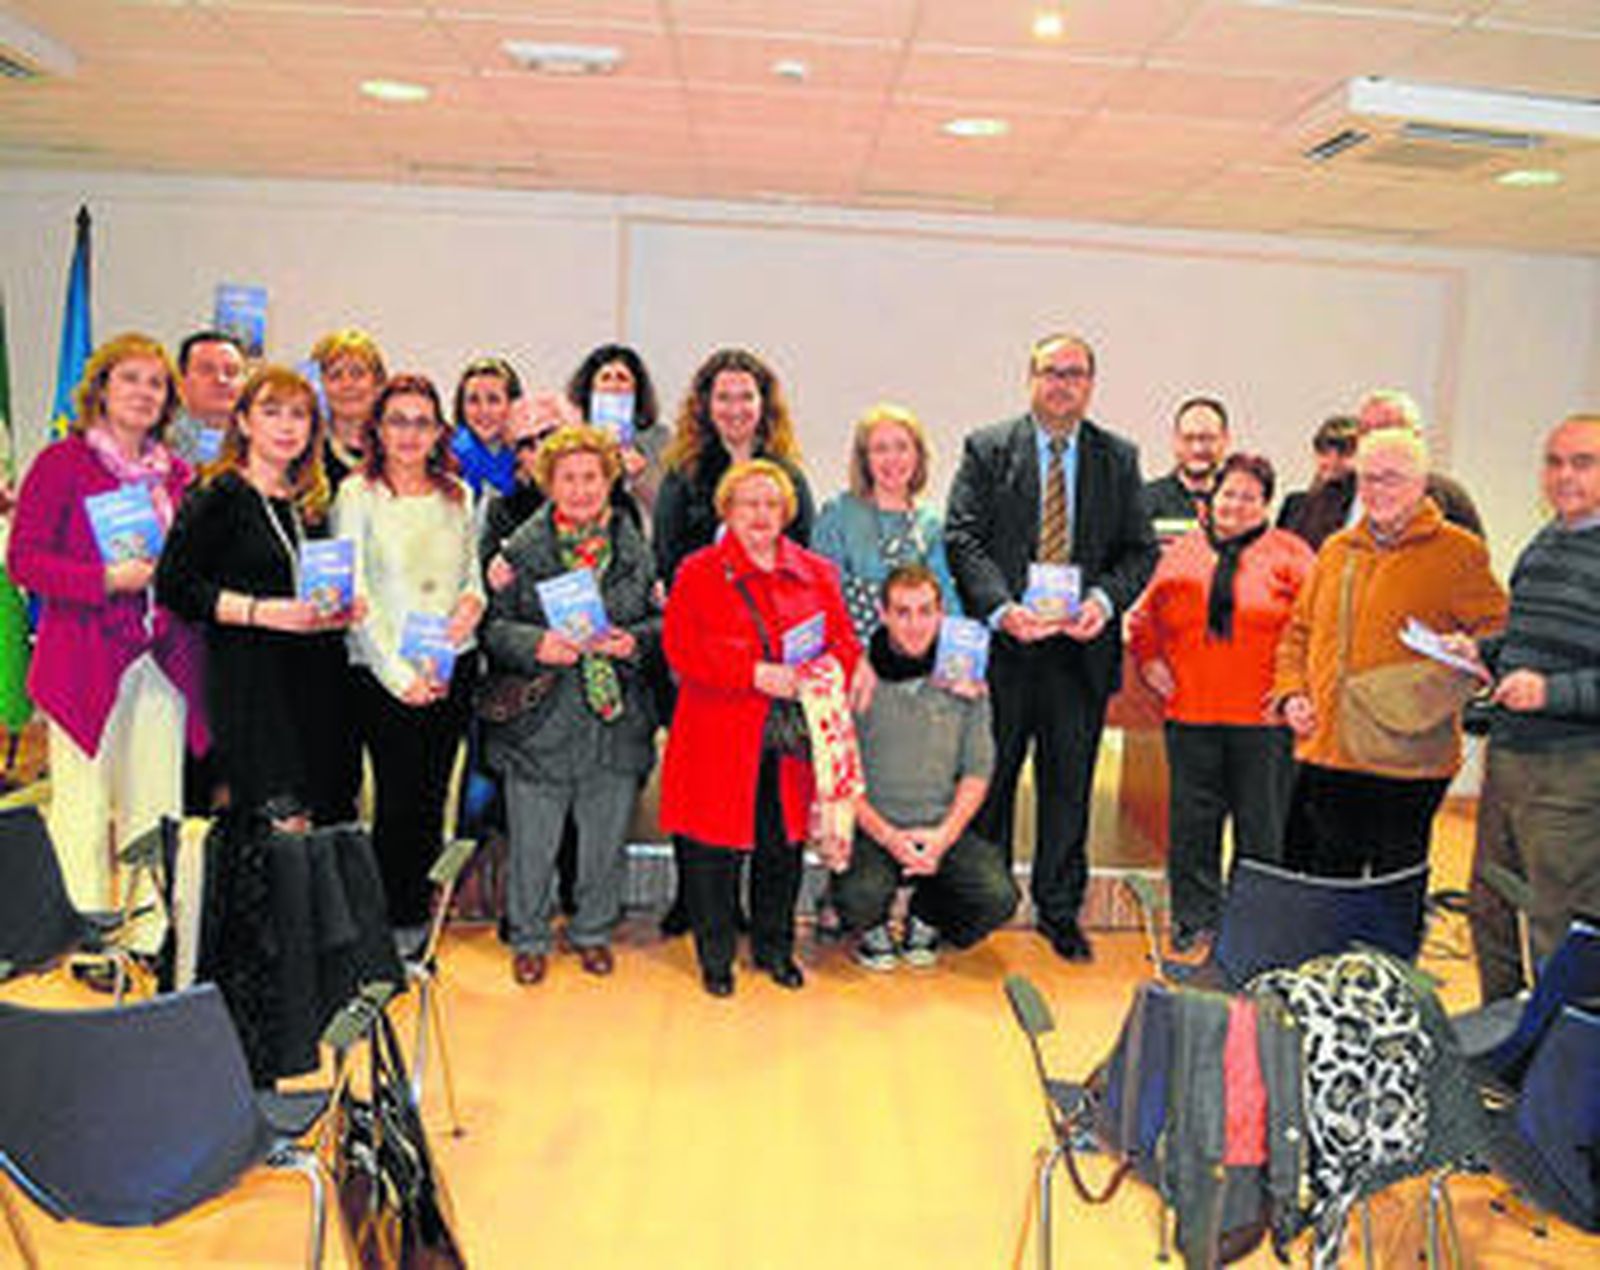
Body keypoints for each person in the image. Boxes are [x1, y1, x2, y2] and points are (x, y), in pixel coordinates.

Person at [946, 332, 1158, 963]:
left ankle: (1059, 912)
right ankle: (980, 905)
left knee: (1069, 788)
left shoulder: (1117, 457)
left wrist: (1101, 603)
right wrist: (1003, 610)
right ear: (1029, 378)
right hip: (1008, 651)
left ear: (1090, 383)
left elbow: (1138, 550)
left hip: (1078, 654)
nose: (1063, 383)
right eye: (1051, 371)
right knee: (994, 781)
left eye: (1076, 373)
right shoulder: (987, 449)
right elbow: (964, 538)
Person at [7, 332, 209, 957]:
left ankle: (148, 935)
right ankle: (89, 940)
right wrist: (102, 580)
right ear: (101, 388)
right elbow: (23, 560)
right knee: (83, 808)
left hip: (159, 659)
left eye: (156, 384)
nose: (144, 393)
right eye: (131, 379)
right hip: (83, 660)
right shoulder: (60, 465)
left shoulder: (179, 476)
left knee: (157, 803)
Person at [659, 459, 860, 996]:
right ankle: (716, 958)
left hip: (788, 738)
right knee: (711, 853)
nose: (761, 514)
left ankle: (776, 950)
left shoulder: (818, 573)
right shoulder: (696, 571)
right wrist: (753, 672)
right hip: (717, 734)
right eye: (748, 503)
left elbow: (844, 645)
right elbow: (680, 648)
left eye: (772, 504)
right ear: (727, 509)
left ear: (788, 512)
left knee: (782, 847)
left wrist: (815, 674)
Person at [1272, 428, 1506, 878]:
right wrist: (1292, 693)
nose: (1376, 490)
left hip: (1409, 760)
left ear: (1422, 484)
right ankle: (1332, 953)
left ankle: (1386, 953)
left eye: (1391, 478)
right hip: (1330, 752)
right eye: (1367, 478)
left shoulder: (1459, 553)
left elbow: (1499, 632)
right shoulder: (1337, 550)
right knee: (1328, 885)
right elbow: (1298, 633)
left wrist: (1473, 651)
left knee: (1390, 892)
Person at [480, 425, 659, 986]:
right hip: (541, 719)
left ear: (610, 481)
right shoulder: (517, 555)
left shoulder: (637, 549)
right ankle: (530, 935)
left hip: (615, 720)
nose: (581, 489)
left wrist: (636, 642)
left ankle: (592, 931)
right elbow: (491, 628)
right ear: (548, 483)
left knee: (603, 840)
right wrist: (537, 645)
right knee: (534, 841)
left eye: (591, 477)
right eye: (568, 478)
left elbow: (659, 624)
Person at [156, 365, 360, 826]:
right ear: (245, 422)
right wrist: (258, 611)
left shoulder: (311, 501)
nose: (287, 426)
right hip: (252, 681)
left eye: (300, 415)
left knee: (321, 819)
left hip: (319, 679)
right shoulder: (219, 493)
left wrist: (342, 609)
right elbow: (175, 585)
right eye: (272, 412)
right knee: (278, 825)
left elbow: (313, 585)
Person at [1127, 454, 1314, 951]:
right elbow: (1145, 620)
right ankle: (1193, 917)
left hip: (1264, 721)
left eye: (1249, 496)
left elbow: (1315, 631)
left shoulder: (1292, 555)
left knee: (1261, 832)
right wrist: (1149, 662)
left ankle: (1253, 926)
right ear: (1212, 498)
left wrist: (1297, 690)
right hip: (1191, 715)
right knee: (1192, 827)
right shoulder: (1182, 552)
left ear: (1265, 504)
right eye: (1228, 493)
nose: (1235, 504)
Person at [334, 372, 485, 946]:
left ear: (439, 430)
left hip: (450, 664)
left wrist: (471, 606)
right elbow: (351, 596)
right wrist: (399, 675)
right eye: (398, 419)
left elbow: (472, 578)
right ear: (377, 427)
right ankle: (389, 925)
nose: (409, 432)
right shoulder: (357, 494)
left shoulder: (457, 492)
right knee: (394, 801)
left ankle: (417, 918)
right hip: (382, 671)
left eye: (422, 421)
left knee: (430, 798)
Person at [1456, 415, 1600, 1004]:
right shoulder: (1546, 543)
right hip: (1510, 757)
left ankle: (1558, 1068)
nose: (1563, 476)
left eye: (1583, 463)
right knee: (1489, 905)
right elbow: (1524, 638)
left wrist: (1550, 692)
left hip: (1571, 771)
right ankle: (1504, 1042)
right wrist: (1481, 652)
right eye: (1554, 461)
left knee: (1556, 922)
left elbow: (1559, 675)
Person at [833, 564, 1017, 970]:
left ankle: (927, 916)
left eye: (924, 611)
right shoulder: (857, 678)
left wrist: (943, 837)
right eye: (902, 612)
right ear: (882, 615)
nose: (914, 625)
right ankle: (872, 926)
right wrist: (888, 836)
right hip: (872, 829)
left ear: (941, 614)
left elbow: (977, 771)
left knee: (998, 897)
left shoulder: (967, 680)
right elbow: (838, 776)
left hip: (939, 826)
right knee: (857, 899)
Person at [653, 347, 814, 589]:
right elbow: (666, 555)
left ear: (763, 404)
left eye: (746, 397)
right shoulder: (683, 474)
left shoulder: (789, 476)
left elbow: (803, 551)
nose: (735, 409)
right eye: (724, 398)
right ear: (706, 405)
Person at [813, 402, 960, 645]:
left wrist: (959, 656)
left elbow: (946, 599)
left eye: (902, 447)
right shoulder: (837, 515)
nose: (892, 459)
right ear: (864, 459)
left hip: (917, 664)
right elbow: (823, 598)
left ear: (918, 455)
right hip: (855, 663)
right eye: (880, 449)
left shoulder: (931, 522)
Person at [1286, 390, 1483, 549]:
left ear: (1415, 437)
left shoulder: (1447, 498)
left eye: (1385, 429)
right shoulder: (1330, 494)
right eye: (1365, 431)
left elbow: (1470, 571)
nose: (1374, 440)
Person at [567, 342, 667, 526]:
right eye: (605, 378)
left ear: (637, 389)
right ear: (590, 389)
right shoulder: (570, 437)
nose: (613, 385)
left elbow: (665, 508)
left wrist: (641, 477)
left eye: (622, 378)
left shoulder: (659, 438)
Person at [1141, 396, 1229, 538]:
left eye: (1208, 439)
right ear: (1175, 441)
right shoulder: (1143, 502)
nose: (1197, 449)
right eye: (1188, 438)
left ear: (1225, 440)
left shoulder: (1240, 505)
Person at [310, 327, 387, 489]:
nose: (347, 385)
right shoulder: (306, 452)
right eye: (335, 375)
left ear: (379, 384)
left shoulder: (399, 449)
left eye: (357, 374)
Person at [168, 329, 246, 470]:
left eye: (231, 372)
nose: (221, 380)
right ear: (181, 384)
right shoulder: (158, 446)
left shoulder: (264, 447)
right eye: (207, 370)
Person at [450, 355, 523, 502]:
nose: (484, 411)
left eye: (493, 400)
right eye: (473, 400)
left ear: (513, 404)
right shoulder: (446, 458)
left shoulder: (527, 457)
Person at [1277, 414, 1358, 539]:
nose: (1332, 461)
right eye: (1324, 451)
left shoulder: (1360, 510)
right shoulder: (1294, 505)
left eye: (1344, 453)